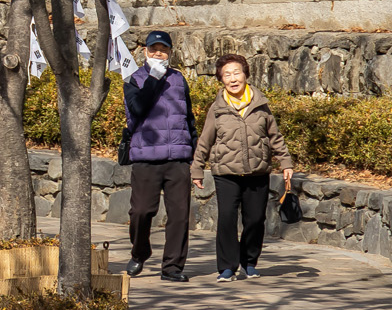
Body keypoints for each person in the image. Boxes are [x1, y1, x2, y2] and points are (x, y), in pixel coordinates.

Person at [194, 51, 294, 282]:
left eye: (236, 73)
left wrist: (286, 162)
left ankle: (249, 262)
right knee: (227, 218)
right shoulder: (216, 109)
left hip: (257, 172)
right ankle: (227, 267)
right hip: (226, 173)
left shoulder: (261, 105)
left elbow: (274, 137)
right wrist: (197, 169)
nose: (232, 78)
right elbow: (205, 140)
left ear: (246, 75)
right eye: (226, 75)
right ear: (221, 80)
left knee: (256, 219)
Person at [123, 31, 195, 282]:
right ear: (145, 51)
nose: (158, 53)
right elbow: (138, 109)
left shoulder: (179, 79)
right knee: (141, 212)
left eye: (163, 49)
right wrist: (153, 78)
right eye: (153, 48)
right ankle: (139, 252)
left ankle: (172, 267)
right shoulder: (134, 79)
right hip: (145, 158)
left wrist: (193, 155)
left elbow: (189, 119)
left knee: (179, 215)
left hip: (177, 158)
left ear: (170, 53)